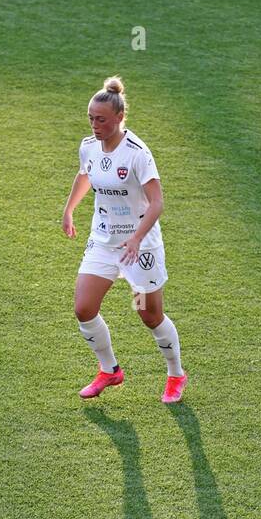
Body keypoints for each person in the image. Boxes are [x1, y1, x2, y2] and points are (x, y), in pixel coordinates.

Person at [62, 76, 188, 403]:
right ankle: (109, 370)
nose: (94, 125)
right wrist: (69, 210)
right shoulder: (88, 145)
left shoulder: (137, 153)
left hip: (140, 246)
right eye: (90, 118)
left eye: (101, 119)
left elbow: (157, 202)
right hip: (103, 241)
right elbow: (85, 174)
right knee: (83, 308)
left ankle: (175, 374)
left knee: (148, 315)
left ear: (119, 118)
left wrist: (135, 239)